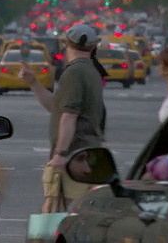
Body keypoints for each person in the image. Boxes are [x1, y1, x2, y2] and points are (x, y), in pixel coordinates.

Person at [19, 24, 104, 207]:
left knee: (56, 217)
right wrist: (34, 83)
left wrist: (60, 154)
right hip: (85, 154)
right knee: (68, 214)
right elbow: (56, 107)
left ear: (66, 42)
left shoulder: (74, 72)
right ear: (92, 46)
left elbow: (70, 115)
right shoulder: (90, 71)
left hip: (73, 156)